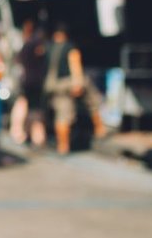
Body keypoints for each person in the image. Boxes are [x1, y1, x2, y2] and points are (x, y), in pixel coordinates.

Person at [43, 23, 106, 154]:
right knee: (93, 101)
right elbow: (75, 64)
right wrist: (77, 82)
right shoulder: (70, 47)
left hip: (53, 86)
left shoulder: (48, 47)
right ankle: (99, 128)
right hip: (68, 83)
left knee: (61, 115)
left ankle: (62, 146)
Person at [10, 20, 48, 147]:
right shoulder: (34, 44)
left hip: (27, 81)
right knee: (33, 109)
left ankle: (26, 133)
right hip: (33, 82)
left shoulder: (27, 44)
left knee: (28, 107)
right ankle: (35, 136)